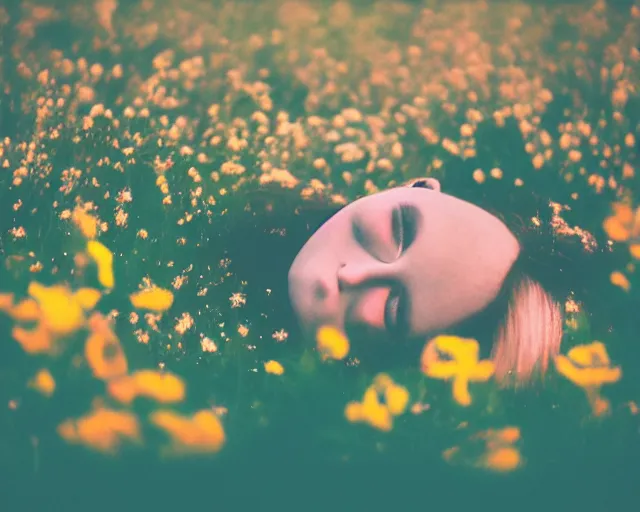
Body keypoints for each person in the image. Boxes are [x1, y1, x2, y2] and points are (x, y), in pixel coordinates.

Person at [221, 174, 608, 387]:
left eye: (393, 310)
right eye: (398, 231)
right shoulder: (232, 195)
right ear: (416, 186)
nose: (351, 275)